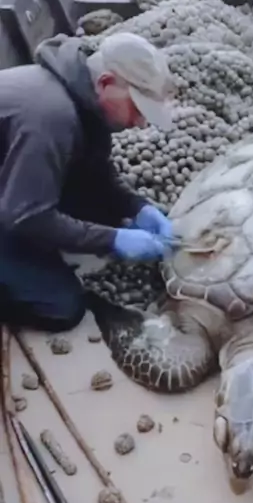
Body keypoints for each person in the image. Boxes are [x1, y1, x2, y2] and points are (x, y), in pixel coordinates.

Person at [0, 30, 177, 333]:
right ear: (106, 83)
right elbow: (26, 216)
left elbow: (95, 173)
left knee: (97, 208)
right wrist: (111, 240)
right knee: (61, 306)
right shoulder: (51, 117)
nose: (140, 123)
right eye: (137, 109)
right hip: (16, 207)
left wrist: (137, 207)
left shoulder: (82, 98)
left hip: (11, 178)